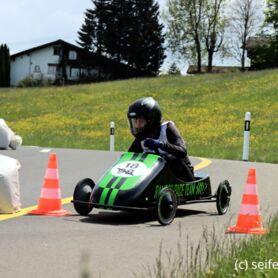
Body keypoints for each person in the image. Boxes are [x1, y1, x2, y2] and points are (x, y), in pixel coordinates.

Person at [127, 97, 195, 182]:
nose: (137, 126)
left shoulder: (167, 128)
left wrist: (161, 144)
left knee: (174, 161)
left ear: (151, 119)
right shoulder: (142, 138)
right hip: (159, 176)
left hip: (182, 174)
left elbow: (182, 151)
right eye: (135, 122)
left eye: (140, 121)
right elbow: (128, 158)